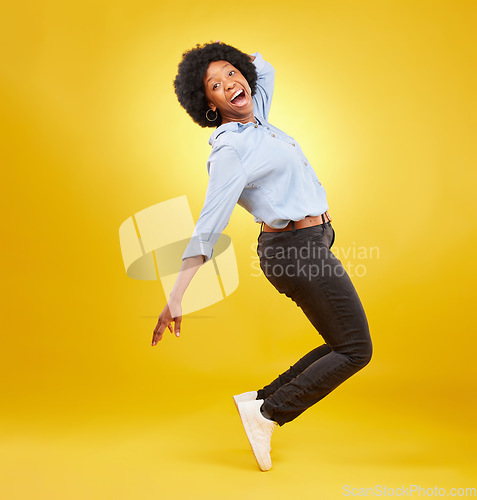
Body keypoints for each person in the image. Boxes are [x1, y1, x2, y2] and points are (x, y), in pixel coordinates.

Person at [151, 42, 373, 472]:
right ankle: (269, 412)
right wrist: (177, 295)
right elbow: (208, 226)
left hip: (313, 241)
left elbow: (263, 70)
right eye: (215, 85)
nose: (230, 84)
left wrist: (242, 60)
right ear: (209, 105)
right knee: (356, 350)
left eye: (231, 74)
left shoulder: (259, 120)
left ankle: (257, 399)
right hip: (293, 250)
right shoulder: (231, 149)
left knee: (340, 342)